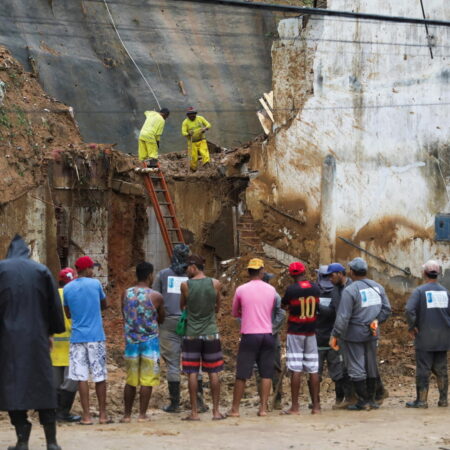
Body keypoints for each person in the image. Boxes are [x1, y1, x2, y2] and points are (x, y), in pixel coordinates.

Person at [0, 235, 65, 450]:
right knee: (43, 385)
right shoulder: (41, 271)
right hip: (37, 338)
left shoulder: (1, 270)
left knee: (12, 387)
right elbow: (54, 305)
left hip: (8, 340)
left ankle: (22, 439)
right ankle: (52, 442)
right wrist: (53, 332)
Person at [330, 257, 391, 411]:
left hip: (353, 334)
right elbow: (386, 309)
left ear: (351, 271)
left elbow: (343, 316)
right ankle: (372, 400)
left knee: (356, 366)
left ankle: (363, 401)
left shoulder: (350, 290)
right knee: (371, 365)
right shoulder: (377, 287)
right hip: (372, 332)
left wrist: (336, 334)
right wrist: (376, 321)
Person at [153, 245, 208, 413]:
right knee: (194, 362)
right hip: (190, 321)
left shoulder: (162, 275)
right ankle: (198, 402)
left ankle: (175, 403)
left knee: (172, 364)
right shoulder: (192, 275)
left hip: (168, 322)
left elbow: (155, 298)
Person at [229, 259, 279, 417]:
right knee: (266, 373)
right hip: (267, 335)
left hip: (249, 335)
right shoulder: (271, 290)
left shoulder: (241, 289)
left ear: (248, 271)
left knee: (242, 373)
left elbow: (235, 312)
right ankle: (263, 409)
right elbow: (275, 308)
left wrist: (246, 314)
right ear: (262, 271)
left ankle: (235, 409)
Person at [64, 255, 110, 425]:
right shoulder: (96, 284)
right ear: (87, 269)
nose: (93, 271)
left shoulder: (68, 288)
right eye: (92, 268)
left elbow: (68, 313)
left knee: (81, 377)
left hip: (77, 338)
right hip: (96, 337)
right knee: (99, 376)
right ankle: (103, 415)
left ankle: (86, 416)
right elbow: (105, 304)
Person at [180, 255, 226, 421]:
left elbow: (182, 306)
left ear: (193, 267)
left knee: (192, 372)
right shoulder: (215, 283)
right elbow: (218, 306)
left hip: (191, 333)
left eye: (187, 267)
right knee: (213, 371)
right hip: (211, 332)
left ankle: (194, 413)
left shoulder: (185, 285)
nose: (186, 270)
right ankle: (216, 411)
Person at [121, 262, 165, 422]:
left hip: (131, 342)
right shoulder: (156, 296)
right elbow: (161, 318)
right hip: (150, 343)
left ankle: (126, 415)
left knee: (131, 380)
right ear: (149, 275)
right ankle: (142, 414)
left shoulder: (126, 294)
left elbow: (124, 314)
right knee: (147, 380)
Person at [405, 260, 450, 408]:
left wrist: (412, 326)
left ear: (424, 273)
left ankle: (422, 401)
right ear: (438, 274)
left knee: (423, 369)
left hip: (425, 336)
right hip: (443, 337)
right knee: (441, 368)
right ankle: (443, 400)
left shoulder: (419, 291)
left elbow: (409, 309)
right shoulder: (445, 292)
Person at [281, 262, 321, 415]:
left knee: (296, 368)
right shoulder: (316, 288)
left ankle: (295, 407)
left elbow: (284, 305)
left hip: (295, 332)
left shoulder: (292, 290)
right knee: (313, 369)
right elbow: (318, 308)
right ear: (304, 272)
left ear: (292, 274)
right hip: (311, 332)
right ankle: (316, 406)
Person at [314, 265, 348, 409]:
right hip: (333, 338)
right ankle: (338, 400)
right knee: (336, 371)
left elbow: (334, 313)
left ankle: (317, 402)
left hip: (324, 338)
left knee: (317, 372)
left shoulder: (333, 292)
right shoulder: (338, 291)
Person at [51, 267, 81, 423]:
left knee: (55, 382)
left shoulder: (52, 295)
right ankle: (63, 413)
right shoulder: (74, 294)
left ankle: (54, 413)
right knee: (70, 382)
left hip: (54, 347)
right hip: (72, 344)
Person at [181, 107, 211, 171]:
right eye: (190, 115)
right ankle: (193, 169)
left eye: (193, 114)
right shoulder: (185, 122)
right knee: (193, 157)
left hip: (201, 139)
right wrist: (188, 133)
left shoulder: (200, 118)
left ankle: (206, 164)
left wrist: (205, 129)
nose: (192, 116)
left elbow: (208, 125)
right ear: (188, 115)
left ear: (195, 114)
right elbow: (183, 132)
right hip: (192, 142)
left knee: (204, 152)